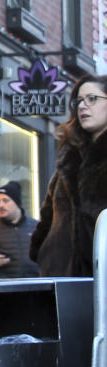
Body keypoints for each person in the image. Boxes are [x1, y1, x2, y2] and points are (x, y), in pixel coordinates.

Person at [31, 74, 107, 276]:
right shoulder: (69, 156)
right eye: (79, 101)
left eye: (92, 99)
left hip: (101, 274)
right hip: (60, 274)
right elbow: (48, 214)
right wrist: (41, 250)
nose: (83, 106)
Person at [0, 181, 38, 279]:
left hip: (36, 287)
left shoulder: (36, 227)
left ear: (17, 202)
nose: (0, 205)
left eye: (5, 200)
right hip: (4, 290)